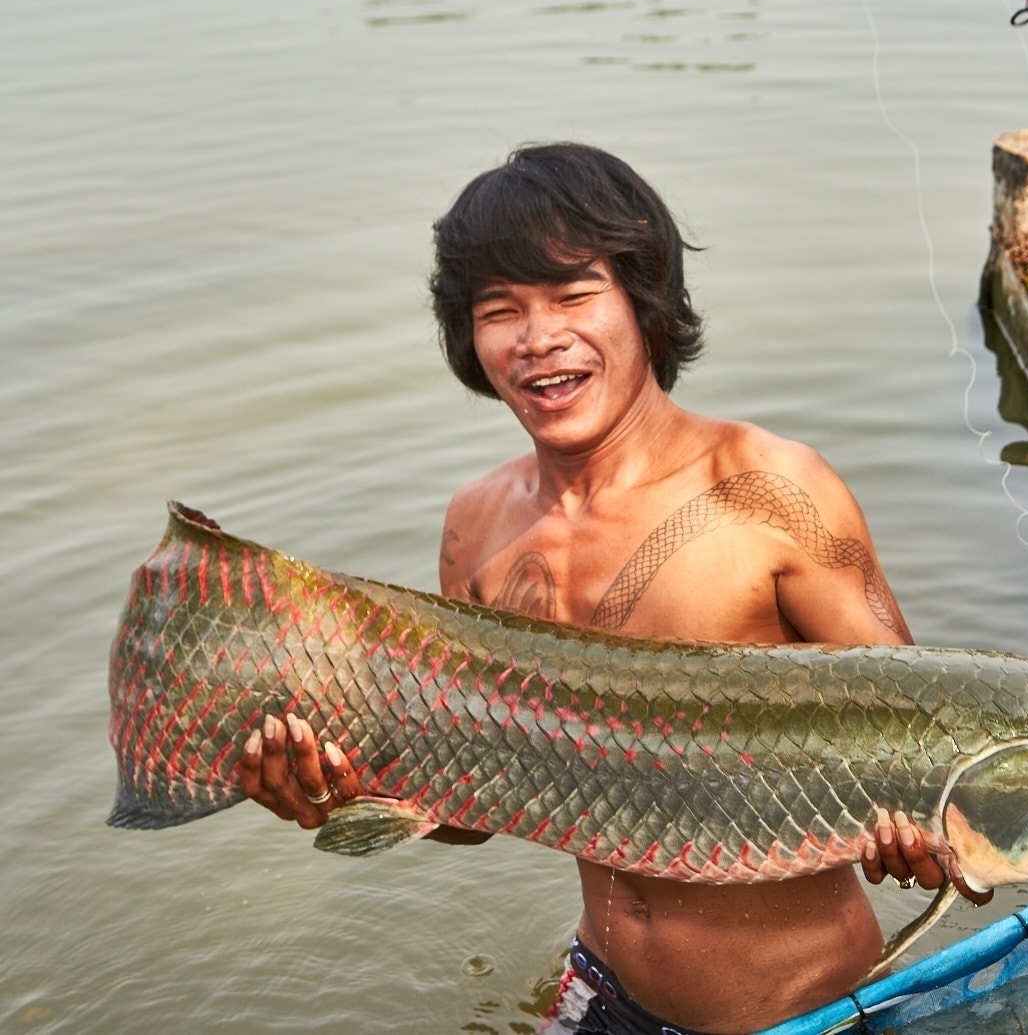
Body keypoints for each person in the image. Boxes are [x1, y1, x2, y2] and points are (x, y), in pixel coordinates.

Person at [235, 142, 989, 1034]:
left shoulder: (769, 489)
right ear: (470, 339)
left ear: (644, 301)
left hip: (806, 1011)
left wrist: (927, 838)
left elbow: (936, 749)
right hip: (602, 995)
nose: (538, 335)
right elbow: (476, 801)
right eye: (500, 309)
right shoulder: (477, 524)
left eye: (573, 295)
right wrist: (342, 788)